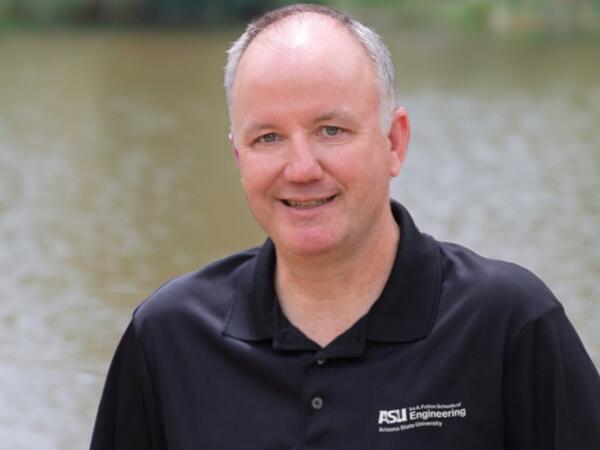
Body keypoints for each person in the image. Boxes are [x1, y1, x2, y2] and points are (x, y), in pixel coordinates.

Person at [90, 4, 600, 449]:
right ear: (238, 157)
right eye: (268, 138)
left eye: (330, 130)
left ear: (394, 142)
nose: (302, 167)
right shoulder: (168, 336)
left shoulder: (508, 324)